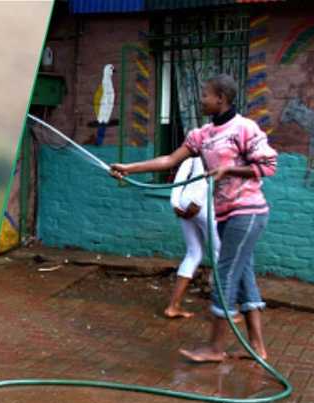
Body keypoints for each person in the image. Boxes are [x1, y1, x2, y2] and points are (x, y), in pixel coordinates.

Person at [110, 73, 278, 362]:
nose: (201, 100)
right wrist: (129, 167)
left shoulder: (244, 128)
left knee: (225, 276)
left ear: (221, 99)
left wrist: (229, 171)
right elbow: (169, 161)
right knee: (244, 277)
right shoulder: (202, 135)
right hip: (226, 214)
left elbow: (269, 165)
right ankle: (258, 348)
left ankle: (215, 348)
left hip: (248, 212)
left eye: (205, 95)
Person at [165, 156, 218, 319]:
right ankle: (223, 310)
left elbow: (180, 176)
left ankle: (173, 306)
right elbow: (211, 174)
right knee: (220, 254)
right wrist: (197, 202)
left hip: (184, 201)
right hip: (203, 204)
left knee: (194, 253)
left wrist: (175, 204)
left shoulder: (194, 151)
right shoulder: (216, 146)